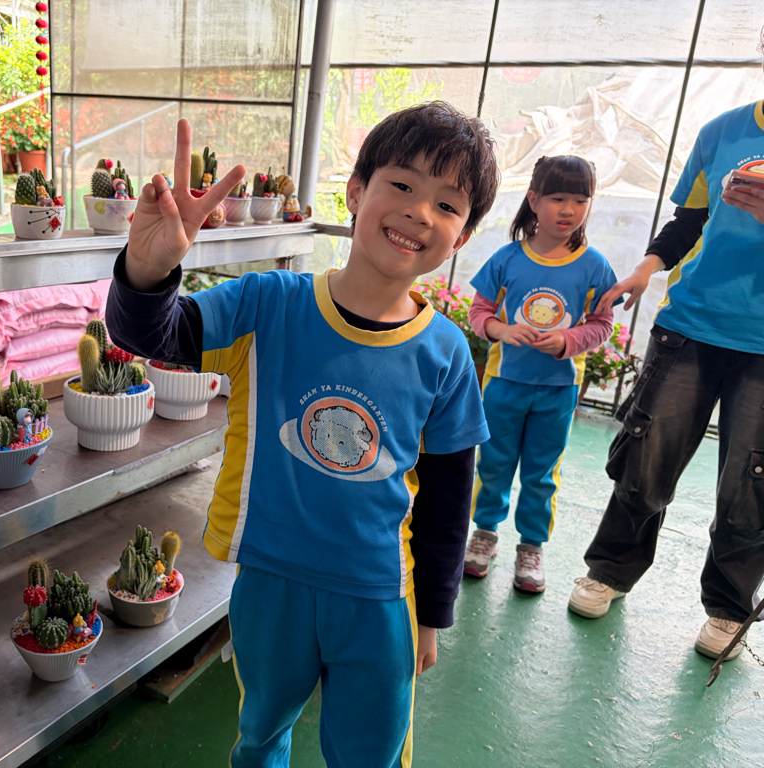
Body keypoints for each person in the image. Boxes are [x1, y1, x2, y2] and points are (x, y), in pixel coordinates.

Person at [106, 103, 499, 767]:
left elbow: (447, 499)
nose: (419, 213)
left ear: (461, 237)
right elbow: (153, 334)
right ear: (356, 191)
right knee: (261, 734)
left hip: (381, 598)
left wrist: (431, 613)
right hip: (270, 583)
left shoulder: (447, 353)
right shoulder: (268, 304)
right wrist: (148, 272)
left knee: (369, 753)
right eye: (402, 185)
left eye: (447, 204)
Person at [568, 33, 764, 663]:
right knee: (646, 458)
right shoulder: (723, 131)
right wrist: (644, 269)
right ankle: (610, 570)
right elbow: (690, 222)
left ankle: (729, 606)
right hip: (693, 324)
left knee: (751, 482)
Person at [462, 156, 618, 594]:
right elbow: (479, 313)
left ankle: (531, 546)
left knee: (542, 472)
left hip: (558, 390)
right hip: (503, 384)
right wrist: (502, 330)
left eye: (580, 200)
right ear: (533, 200)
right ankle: (485, 533)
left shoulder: (595, 266)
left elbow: (602, 324)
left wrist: (569, 340)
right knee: (493, 463)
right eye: (558, 198)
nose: (568, 209)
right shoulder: (506, 258)